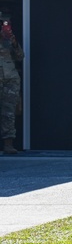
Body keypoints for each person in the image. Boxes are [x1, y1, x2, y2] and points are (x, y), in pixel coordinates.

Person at [0, 10, 24, 155]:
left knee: (8, 112)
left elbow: (21, 57)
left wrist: (13, 42)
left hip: (10, 79)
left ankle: (8, 144)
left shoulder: (8, 38)